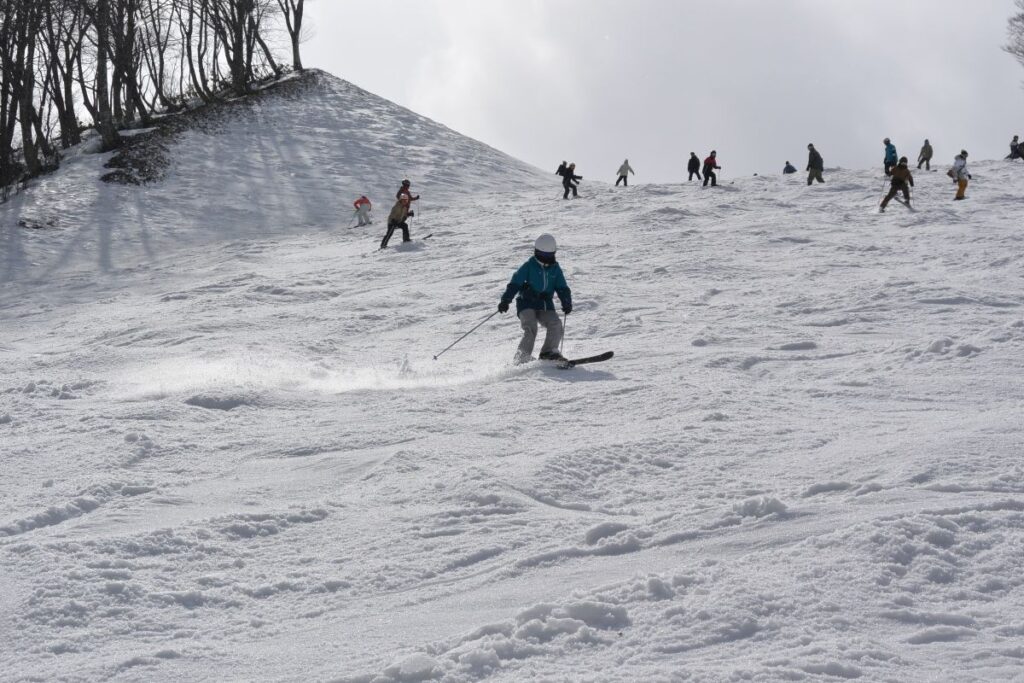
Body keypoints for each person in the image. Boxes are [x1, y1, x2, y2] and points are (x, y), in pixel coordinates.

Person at [498, 233, 573, 365]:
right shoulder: (529, 266)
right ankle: (522, 356)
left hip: (545, 304)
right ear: (536, 252)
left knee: (555, 324)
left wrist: (566, 301)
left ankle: (548, 352)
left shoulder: (555, 269)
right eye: (543, 255)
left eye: (549, 256)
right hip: (526, 303)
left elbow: (562, 287)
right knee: (531, 327)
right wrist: (505, 300)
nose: (546, 259)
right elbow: (515, 283)